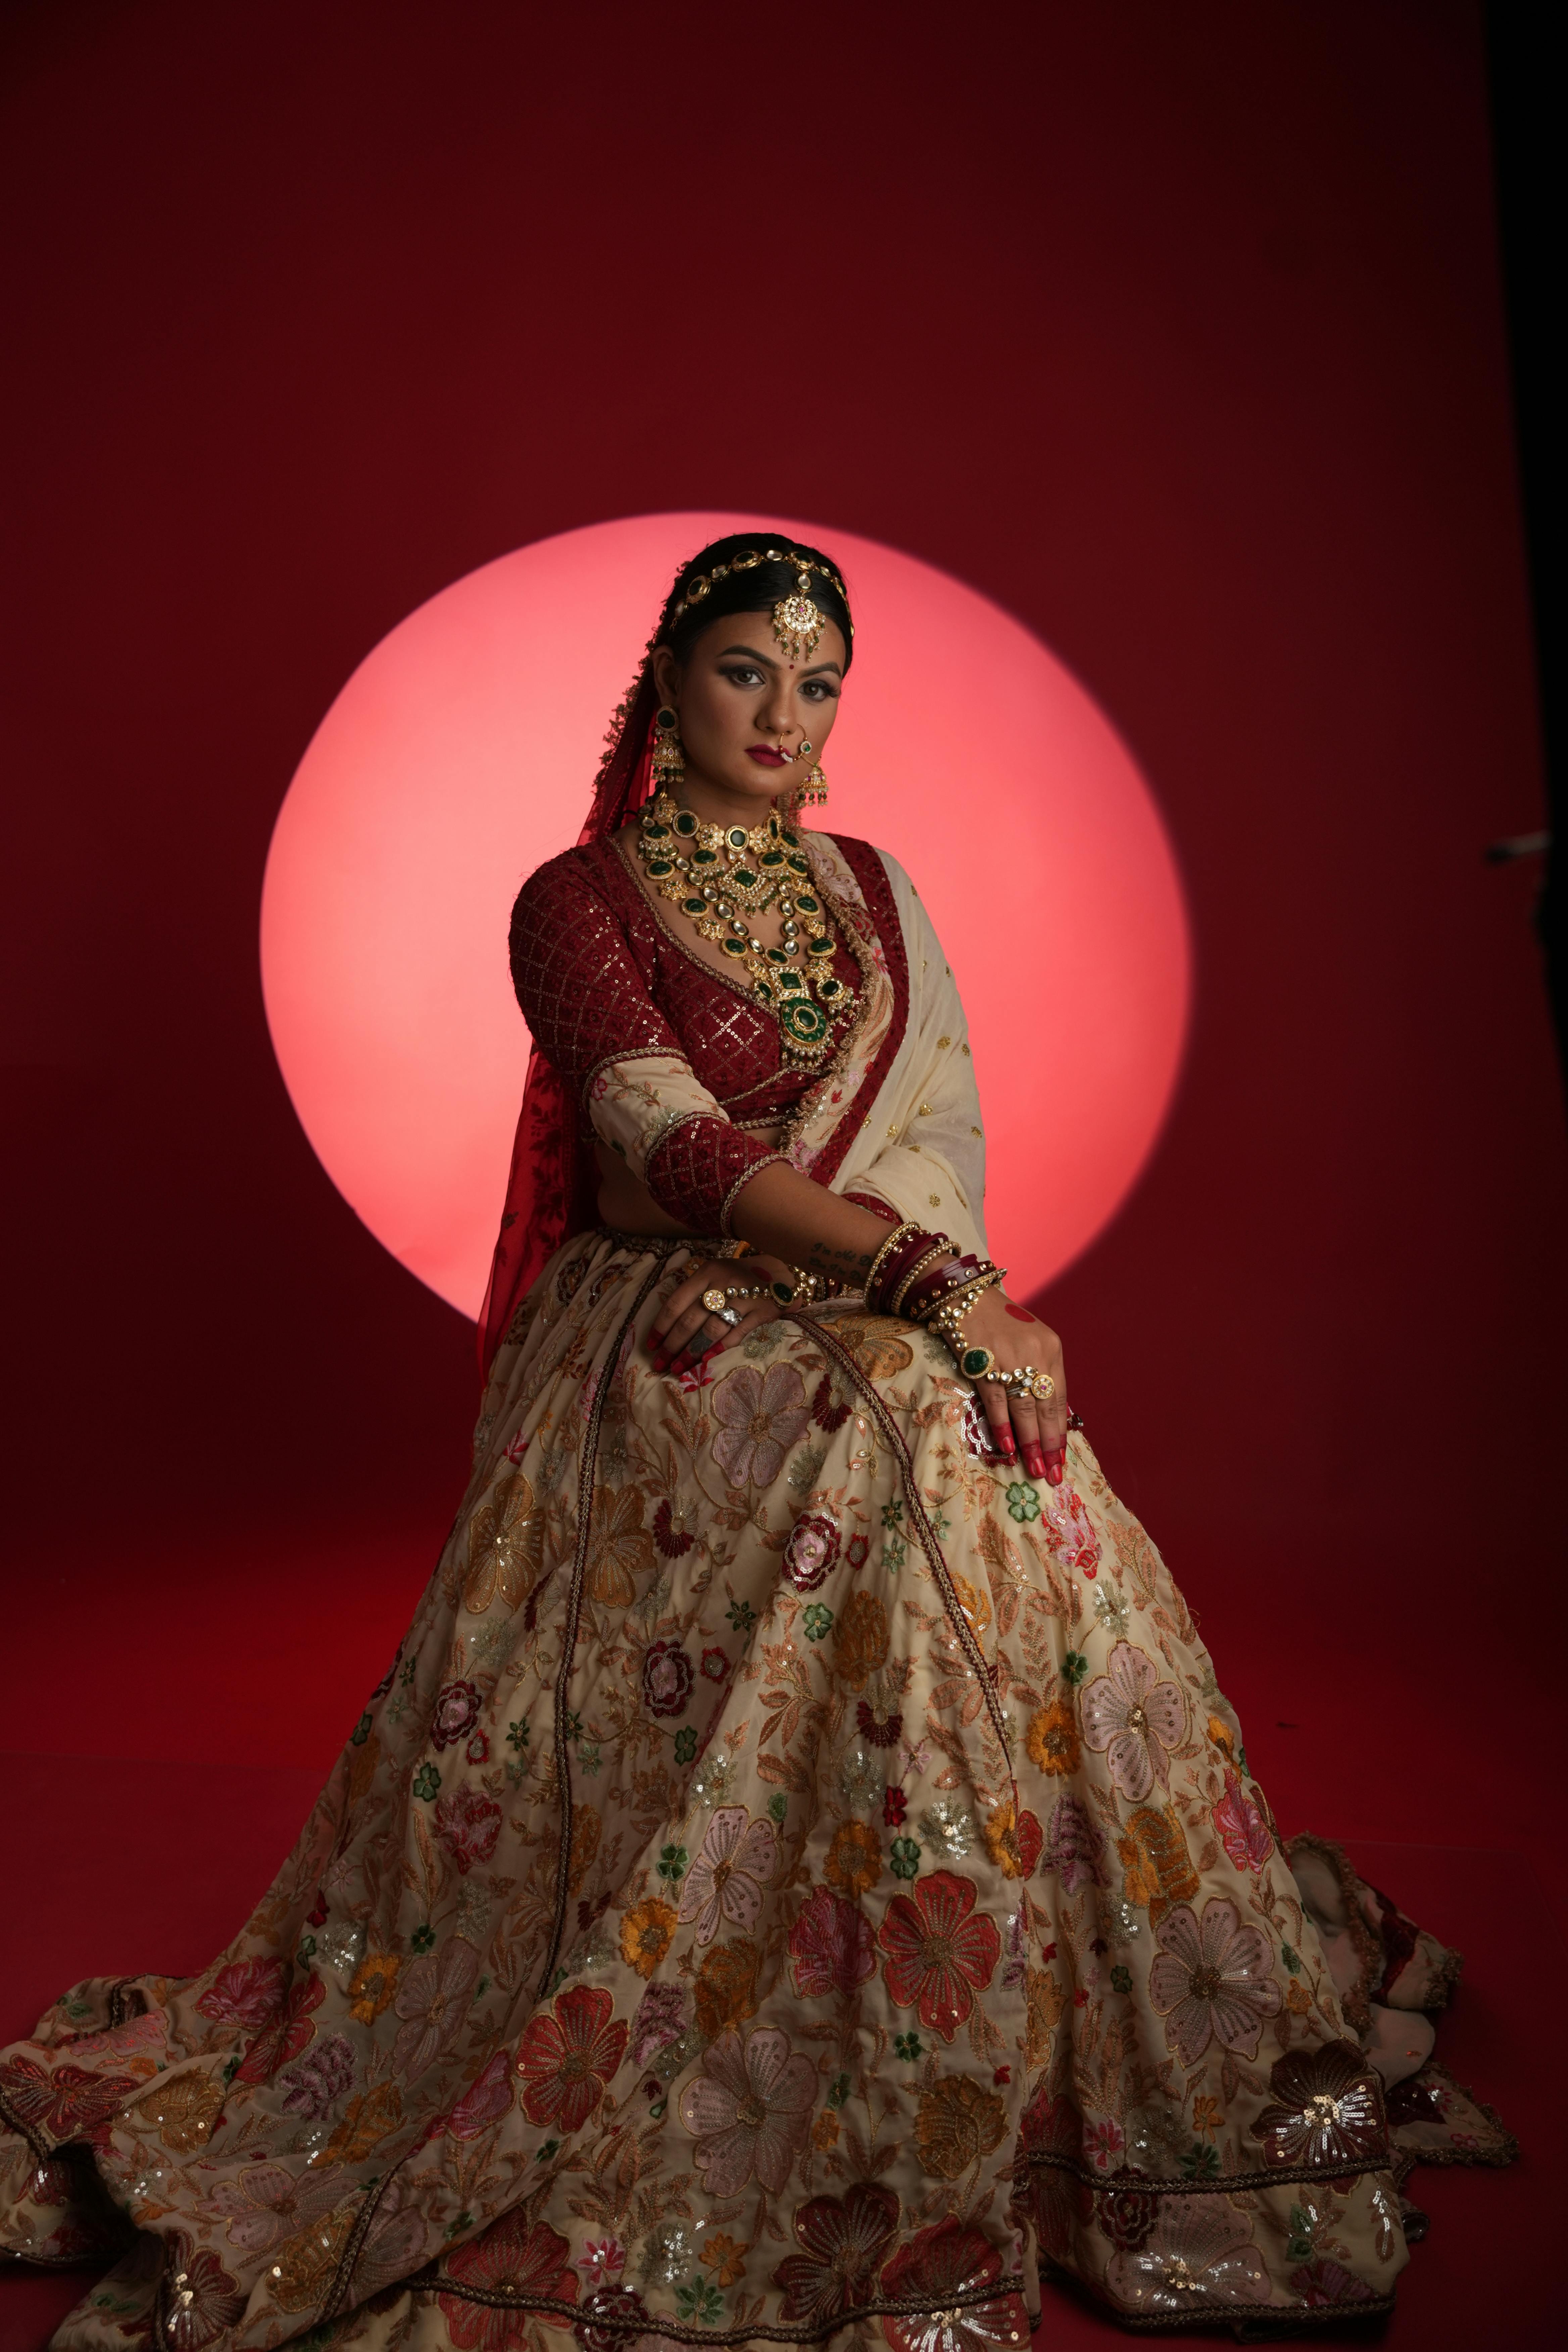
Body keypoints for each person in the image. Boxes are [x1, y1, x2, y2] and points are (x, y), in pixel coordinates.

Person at [0, 537, 1512, 2348]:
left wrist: (929, 1298)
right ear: (666, 682)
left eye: (818, 687)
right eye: (746, 675)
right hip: (664, 1326)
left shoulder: (876, 889)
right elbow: (668, 1145)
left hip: (877, 1303)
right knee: (906, 1445)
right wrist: (927, 1281)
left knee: (978, 1456)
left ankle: (1033, 2017)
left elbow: (934, 1120)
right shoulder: (575, 901)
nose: (785, 717)